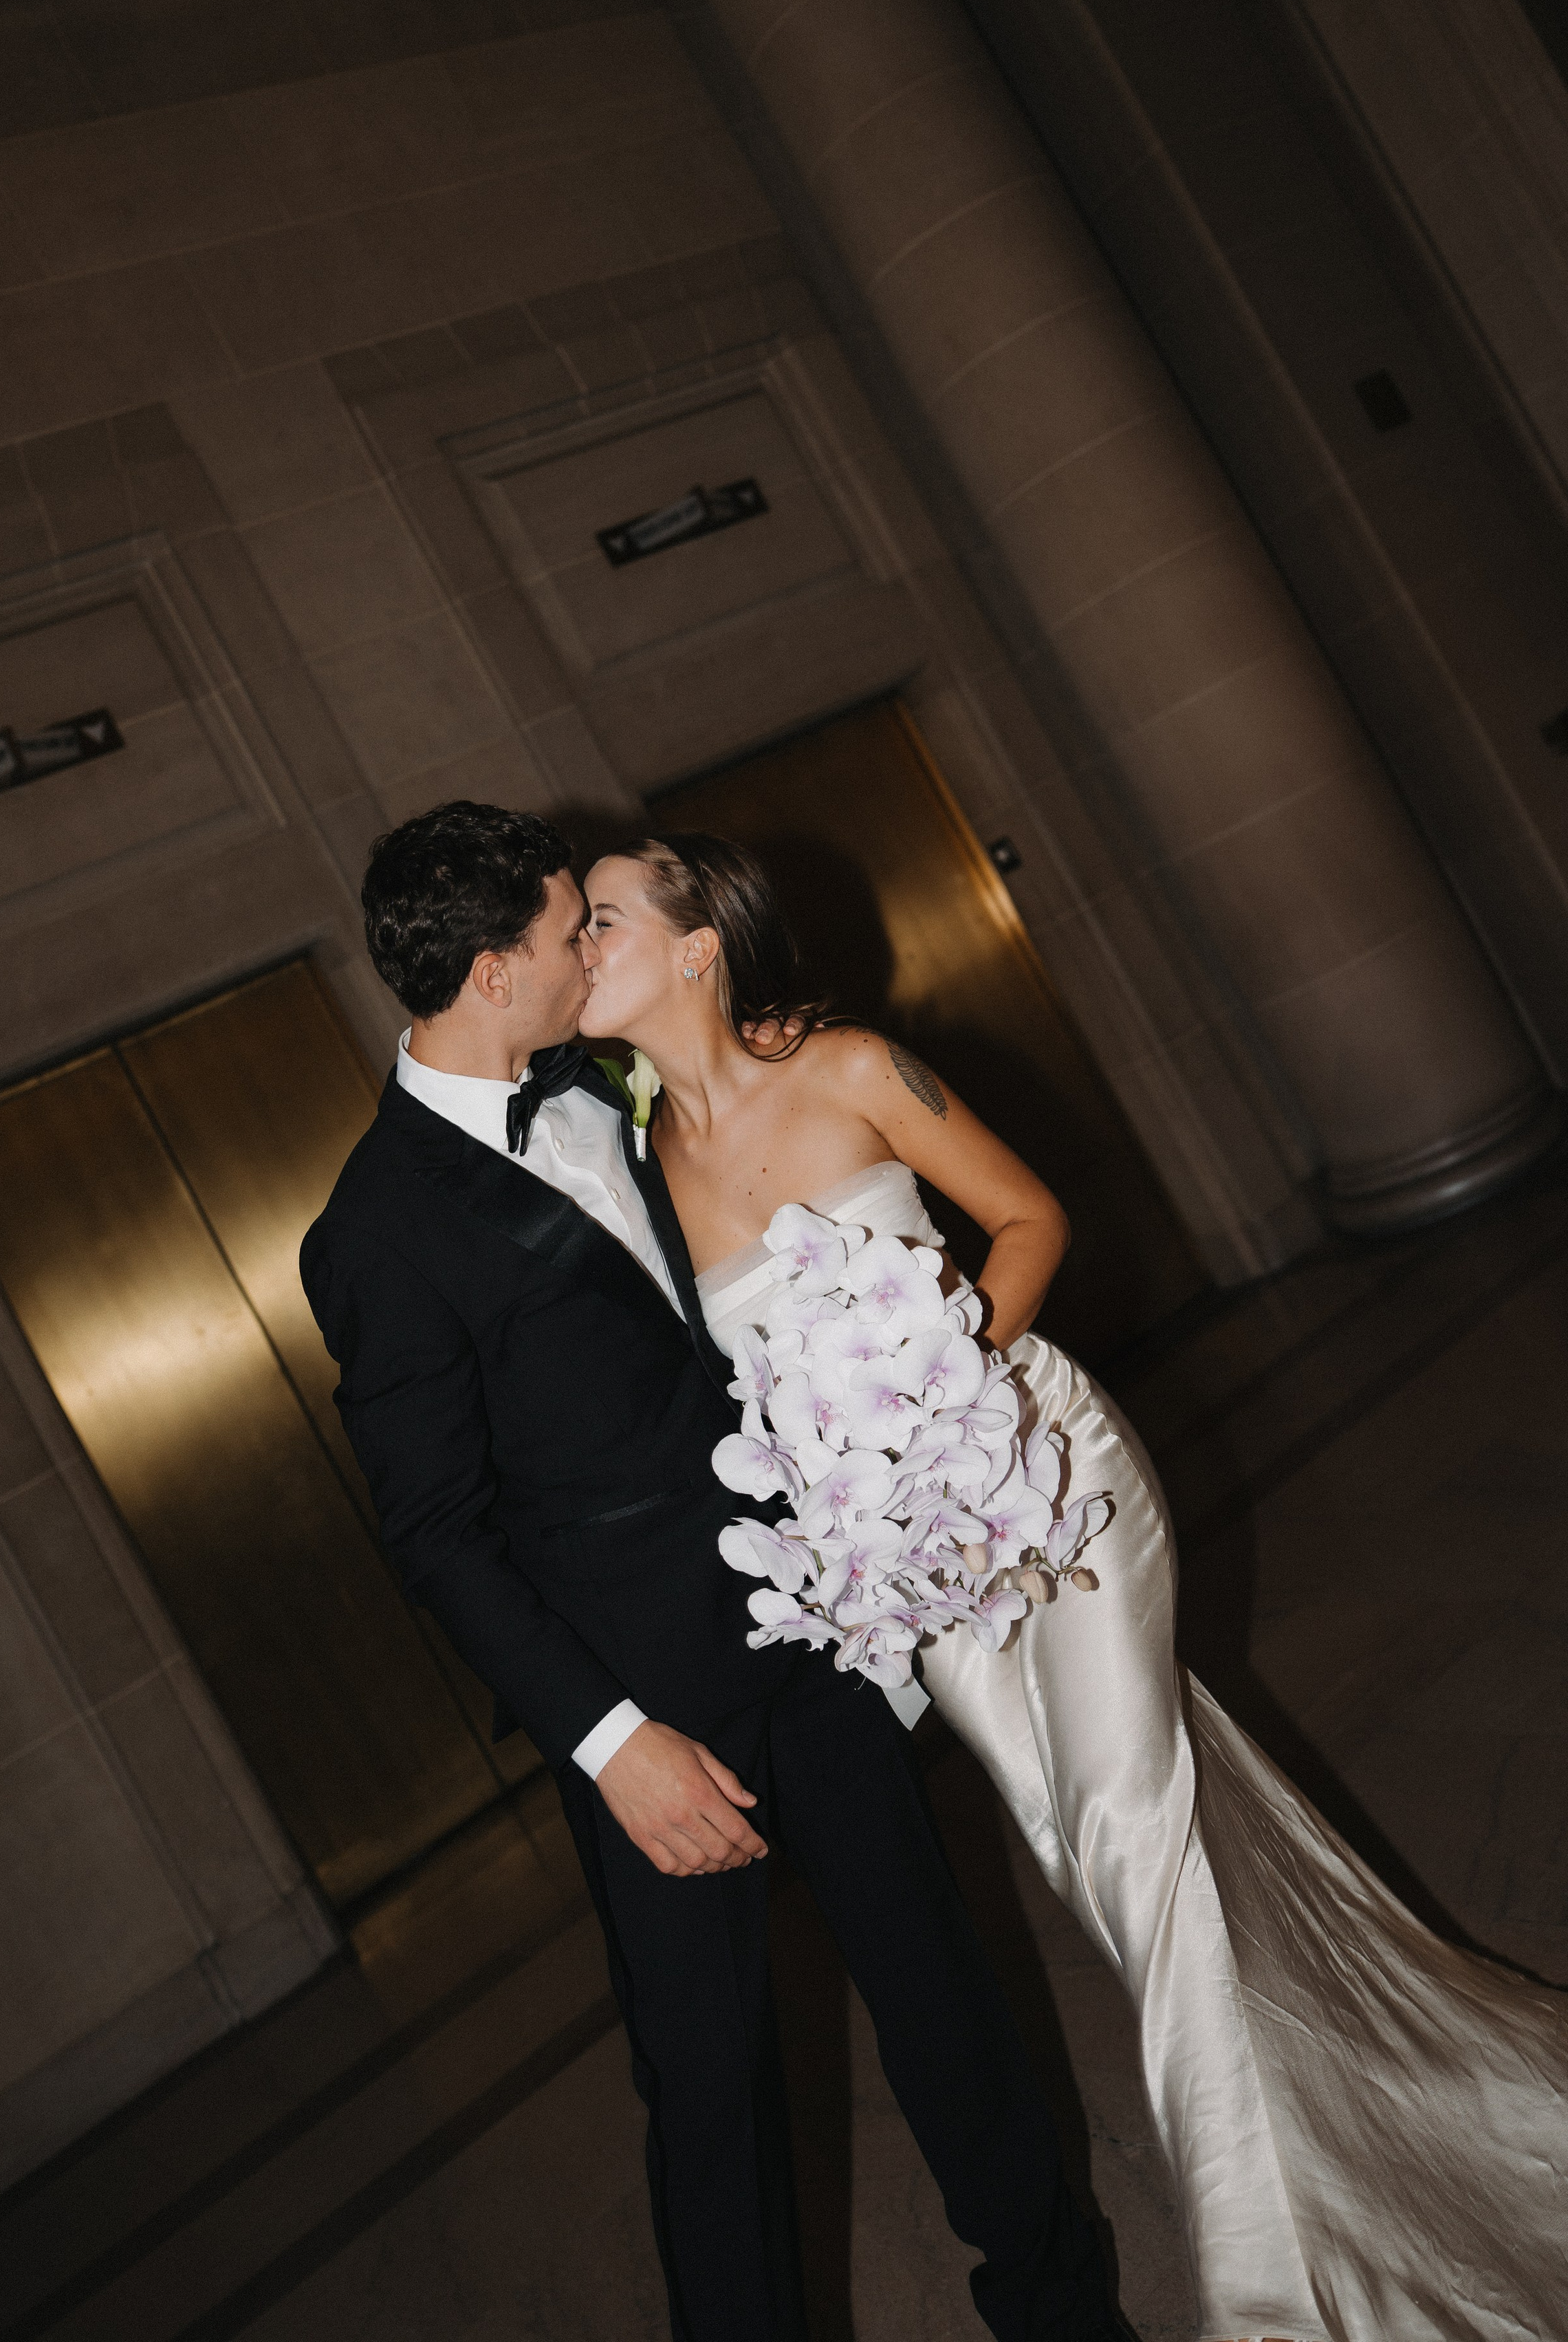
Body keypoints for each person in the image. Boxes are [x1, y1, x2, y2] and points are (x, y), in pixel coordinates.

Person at [576, 827, 1568, 2342]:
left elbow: (1030, 1220)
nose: (577, 942)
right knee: (1089, 1850)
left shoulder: (844, 1068)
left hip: (1039, 1469)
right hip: (915, 1563)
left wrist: (944, 1388)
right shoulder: (649, 1167)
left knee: (1122, 1822)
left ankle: (1273, 2293)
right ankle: (1412, 2113)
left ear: (695, 943)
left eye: (599, 917)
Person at [301, 799, 1136, 2342]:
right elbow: (430, 1529)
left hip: (806, 1640)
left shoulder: (601, 1089)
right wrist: (613, 1748)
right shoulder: (375, 1228)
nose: (589, 951)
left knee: (943, 1999)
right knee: (711, 2091)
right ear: (496, 974)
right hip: (645, 1719)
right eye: (569, 936)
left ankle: (1066, 2314)